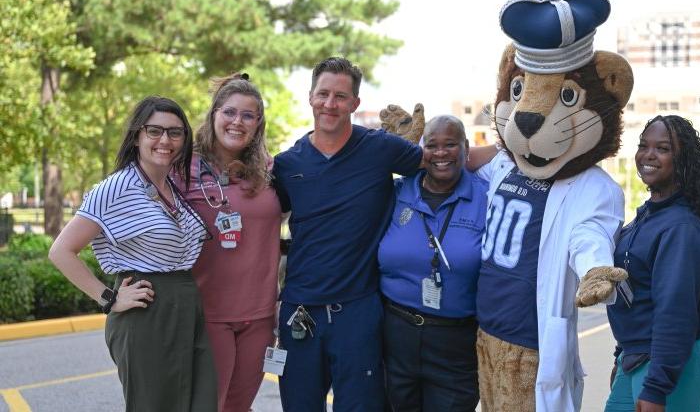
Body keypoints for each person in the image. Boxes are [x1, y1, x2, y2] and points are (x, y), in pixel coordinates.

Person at [272, 56, 424, 411]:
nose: (330, 104)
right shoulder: (286, 164)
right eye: (323, 94)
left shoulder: (381, 148)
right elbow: (259, 222)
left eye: (341, 96)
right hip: (300, 310)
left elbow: (441, 161)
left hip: (358, 310)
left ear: (355, 103)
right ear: (310, 96)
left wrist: (511, 155)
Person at [48, 96, 216, 412]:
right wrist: (109, 298)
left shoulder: (172, 187)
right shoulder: (116, 188)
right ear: (137, 135)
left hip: (186, 305)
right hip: (146, 309)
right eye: (155, 131)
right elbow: (61, 251)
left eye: (175, 132)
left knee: (201, 403)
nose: (165, 140)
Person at [605, 115, 700, 412]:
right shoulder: (648, 215)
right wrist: (622, 353)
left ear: (683, 160)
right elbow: (635, 294)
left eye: (663, 148)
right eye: (644, 145)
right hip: (639, 355)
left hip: (671, 360)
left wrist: (657, 386)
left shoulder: (680, 227)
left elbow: (675, 310)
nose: (648, 155)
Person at [179, 73, 281, 412]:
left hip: (261, 315)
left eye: (248, 115)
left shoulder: (269, 170)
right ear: (214, 115)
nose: (237, 122)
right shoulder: (181, 168)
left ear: (258, 124)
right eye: (229, 112)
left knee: (240, 406)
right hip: (208, 312)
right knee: (209, 405)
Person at [378, 115, 488, 411]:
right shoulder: (397, 193)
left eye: (450, 144)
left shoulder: (486, 198)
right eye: (432, 145)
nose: (440, 153)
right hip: (394, 337)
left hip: (455, 345)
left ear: (466, 148)